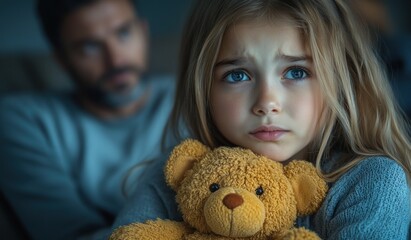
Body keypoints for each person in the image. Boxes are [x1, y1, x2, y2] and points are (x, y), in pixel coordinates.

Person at [110, 0, 411, 239]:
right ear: (203, 89)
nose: (267, 102)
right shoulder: (175, 177)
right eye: (237, 75)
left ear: (341, 80)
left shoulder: (372, 182)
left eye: (296, 72)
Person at [0, 0, 178, 239]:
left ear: (143, 31)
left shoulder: (197, 94)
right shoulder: (26, 120)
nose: (115, 60)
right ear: (61, 59)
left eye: (123, 32)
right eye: (89, 47)